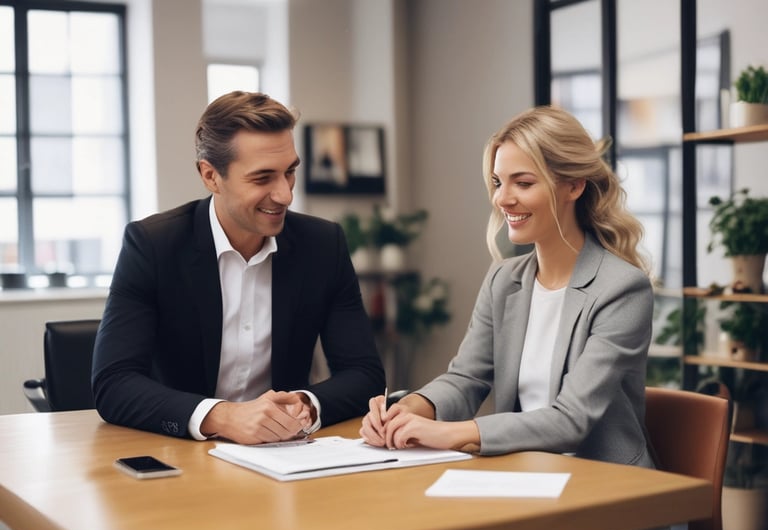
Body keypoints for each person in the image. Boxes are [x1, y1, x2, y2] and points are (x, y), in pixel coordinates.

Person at [361, 105, 656, 468]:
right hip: (522, 471)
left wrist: (451, 433)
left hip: (605, 485)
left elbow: (571, 420)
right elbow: (465, 378)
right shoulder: (504, 280)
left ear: (574, 186)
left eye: (524, 183)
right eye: (499, 182)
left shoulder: (622, 289)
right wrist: (406, 411)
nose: (502, 198)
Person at [92, 91, 385, 444]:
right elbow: (114, 383)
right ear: (211, 176)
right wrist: (222, 416)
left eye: (289, 172)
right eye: (262, 178)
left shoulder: (323, 245)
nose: (285, 195)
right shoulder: (153, 245)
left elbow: (364, 373)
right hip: (178, 455)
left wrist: (307, 404)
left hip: (285, 456)